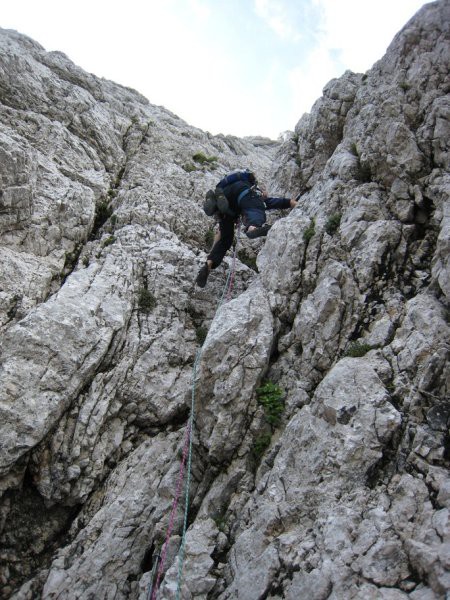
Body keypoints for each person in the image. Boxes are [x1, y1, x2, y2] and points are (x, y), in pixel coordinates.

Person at [196, 170, 298, 288]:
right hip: (243, 193)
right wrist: (299, 206)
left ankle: (208, 265)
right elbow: (286, 202)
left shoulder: (231, 189)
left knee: (226, 240)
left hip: (225, 201)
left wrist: (210, 255)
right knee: (255, 209)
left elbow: (220, 235)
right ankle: (252, 228)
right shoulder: (256, 195)